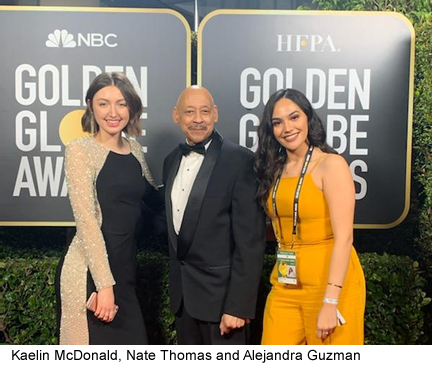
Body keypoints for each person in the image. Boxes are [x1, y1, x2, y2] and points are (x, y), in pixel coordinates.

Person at [255, 88, 366, 345]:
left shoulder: (331, 165)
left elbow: (344, 238)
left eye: (294, 117)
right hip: (285, 283)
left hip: (330, 286)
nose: (287, 128)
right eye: (277, 122)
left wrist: (330, 300)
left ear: (308, 118)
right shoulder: (274, 169)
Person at [56, 72, 158, 345]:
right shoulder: (80, 150)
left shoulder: (135, 149)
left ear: (131, 108)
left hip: (125, 271)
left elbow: (154, 200)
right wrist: (104, 286)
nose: (113, 112)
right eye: (103, 103)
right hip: (92, 274)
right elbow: (87, 221)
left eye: (121, 103)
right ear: (90, 105)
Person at [162, 85, 266, 344]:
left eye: (205, 111)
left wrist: (238, 306)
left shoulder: (241, 161)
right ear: (176, 115)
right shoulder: (171, 160)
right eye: (189, 112)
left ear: (215, 114)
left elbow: (250, 241)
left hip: (224, 305)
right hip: (184, 301)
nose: (198, 119)